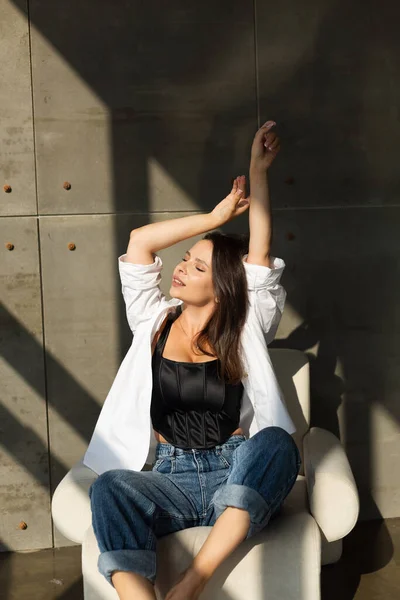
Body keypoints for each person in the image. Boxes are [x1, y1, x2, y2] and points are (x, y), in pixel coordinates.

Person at [87, 121, 301, 600]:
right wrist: (215, 216)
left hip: (235, 472)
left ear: (222, 285)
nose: (180, 268)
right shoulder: (152, 320)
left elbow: (260, 250)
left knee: (276, 445)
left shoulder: (246, 326)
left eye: (197, 267)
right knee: (110, 490)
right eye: (185, 259)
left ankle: (191, 584)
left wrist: (257, 172)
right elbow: (140, 241)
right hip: (170, 477)